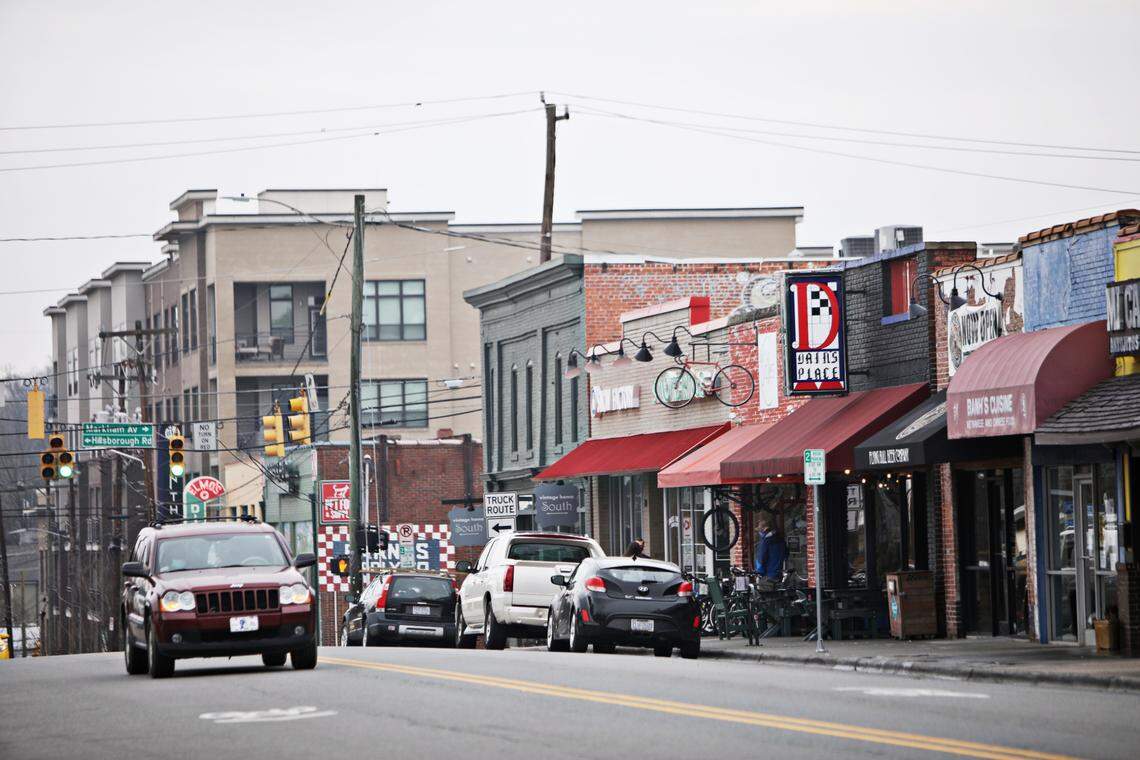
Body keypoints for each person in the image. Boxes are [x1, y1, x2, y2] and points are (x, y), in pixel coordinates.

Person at [753, 512, 786, 581]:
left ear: (765, 528)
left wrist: (758, 573)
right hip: (779, 573)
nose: (758, 531)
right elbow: (786, 554)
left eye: (759, 527)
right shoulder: (779, 538)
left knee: (765, 591)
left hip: (768, 575)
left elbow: (761, 558)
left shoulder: (766, 540)